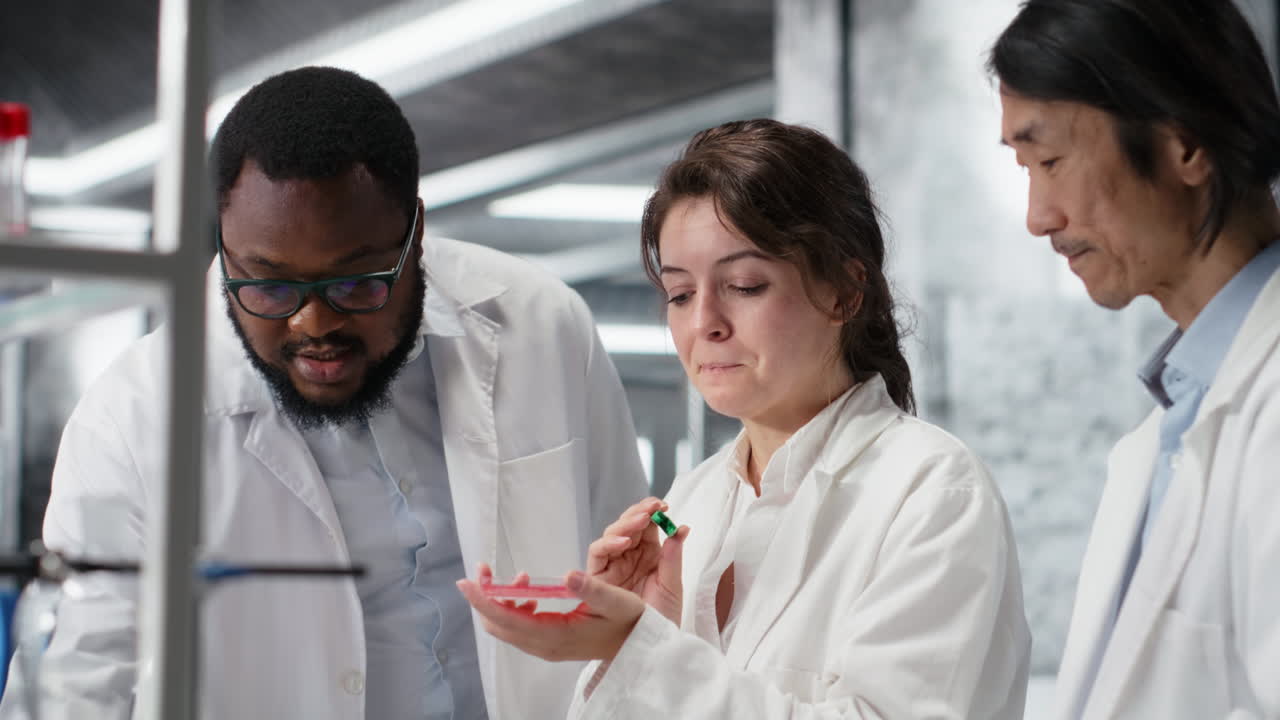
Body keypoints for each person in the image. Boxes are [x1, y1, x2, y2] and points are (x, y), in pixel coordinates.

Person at [0, 66, 647, 720]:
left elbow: (640, 569)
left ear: (415, 235)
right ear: (225, 252)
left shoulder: (541, 325)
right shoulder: (137, 416)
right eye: (269, 287)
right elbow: (74, 688)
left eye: (356, 284)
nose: (314, 326)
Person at [457, 118, 1032, 718]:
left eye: (744, 284)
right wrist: (636, 639)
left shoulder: (931, 492)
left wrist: (645, 652)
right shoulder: (692, 502)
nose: (705, 321)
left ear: (844, 291)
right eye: (680, 294)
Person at [989, 1, 1280, 717]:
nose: (1038, 217)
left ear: (1184, 142)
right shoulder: (1172, 426)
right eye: (1025, 169)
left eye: (1050, 160)